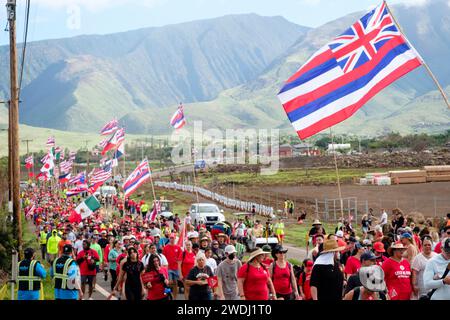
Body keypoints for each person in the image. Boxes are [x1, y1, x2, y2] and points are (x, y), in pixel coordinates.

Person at [163, 233, 182, 299]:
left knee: (175, 284)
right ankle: (167, 295)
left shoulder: (178, 247)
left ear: (175, 238)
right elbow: (163, 258)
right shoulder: (165, 247)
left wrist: (177, 260)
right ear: (169, 238)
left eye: (173, 238)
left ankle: (175, 298)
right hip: (168, 268)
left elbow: (180, 258)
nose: (172, 239)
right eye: (170, 238)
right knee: (169, 283)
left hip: (176, 268)